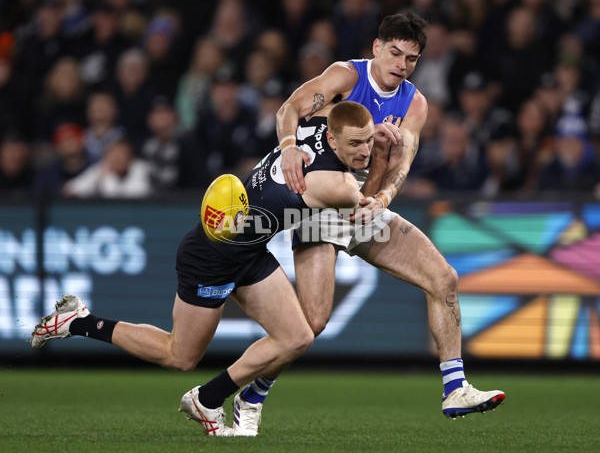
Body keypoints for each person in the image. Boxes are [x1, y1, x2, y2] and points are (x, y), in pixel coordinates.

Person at [31, 101, 376, 437]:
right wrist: (391, 157)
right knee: (179, 356)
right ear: (332, 139)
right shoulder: (339, 187)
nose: (365, 151)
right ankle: (81, 322)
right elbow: (366, 205)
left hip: (250, 250)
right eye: (356, 143)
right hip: (210, 257)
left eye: (370, 140)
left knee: (297, 337)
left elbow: (295, 104)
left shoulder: (313, 123)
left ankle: (208, 399)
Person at [237, 12, 505, 434]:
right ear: (377, 49)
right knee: (311, 324)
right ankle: (251, 394)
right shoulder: (346, 76)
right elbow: (290, 107)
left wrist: (383, 199)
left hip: (364, 207)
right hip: (322, 207)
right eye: (395, 52)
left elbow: (406, 159)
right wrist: (288, 147)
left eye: (411, 58)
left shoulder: (414, 102)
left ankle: (455, 387)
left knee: (444, 278)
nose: (401, 64)